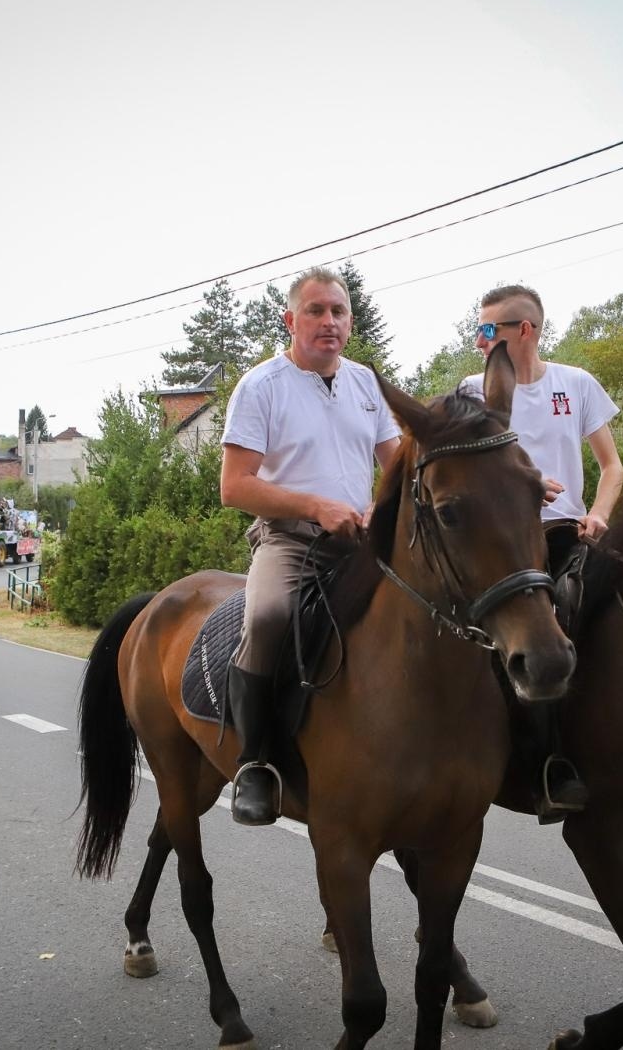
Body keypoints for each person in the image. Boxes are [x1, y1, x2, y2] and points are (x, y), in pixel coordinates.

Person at [219, 266, 402, 826]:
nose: (329, 321)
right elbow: (235, 487)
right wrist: (316, 506)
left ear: (350, 322)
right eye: (317, 311)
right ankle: (255, 765)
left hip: (365, 542)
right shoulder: (260, 387)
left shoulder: (367, 384)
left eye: (338, 312)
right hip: (291, 540)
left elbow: (396, 464)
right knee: (271, 614)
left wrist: (381, 507)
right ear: (290, 320)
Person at [462, 284, 623, 820]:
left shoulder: (575, 384)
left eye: (490, 330)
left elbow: (613, 467)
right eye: (479, 328)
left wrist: (597, 513)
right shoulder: (471, 390)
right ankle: (549, 764)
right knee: (543, 624)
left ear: (525, 331)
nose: (480, 339)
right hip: (503, 543)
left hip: (565, 534)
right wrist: (528, 482)